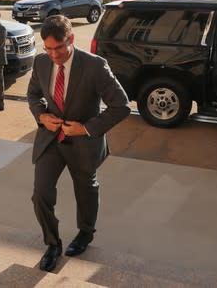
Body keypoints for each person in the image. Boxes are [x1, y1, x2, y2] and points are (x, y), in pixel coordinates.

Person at [27, 15, 130, 272]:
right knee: (40, 193)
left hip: (83, 143)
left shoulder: (95, 66)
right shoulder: (41, 62)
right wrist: (41, 115)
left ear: (71, 39)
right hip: (51, 140)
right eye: (48, 48)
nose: (53, 54)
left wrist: (86, 128)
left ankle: (85, 233)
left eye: (58, 47)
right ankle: (52, 244)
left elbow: (121, 106)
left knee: (85, 191)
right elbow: (33, 94)